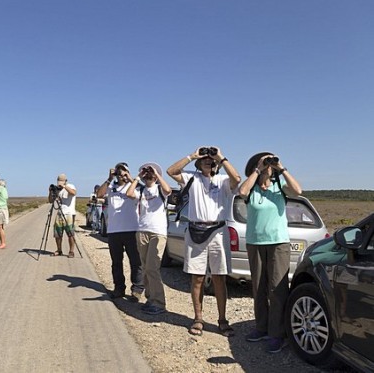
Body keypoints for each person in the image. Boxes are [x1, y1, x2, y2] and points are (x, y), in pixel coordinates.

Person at [167, 147, 240, 336]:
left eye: (211, 159)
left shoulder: (223, 180)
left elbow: (237, 179)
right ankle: (198, 318)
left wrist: (221, 156)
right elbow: (171, 171)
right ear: (199, 164)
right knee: (197, 278)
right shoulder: (192, 178)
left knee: (219, 277)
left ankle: (222, 320)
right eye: (205, 159)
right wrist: (192, 156)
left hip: (218, 230)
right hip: (195, 230)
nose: (208, 160)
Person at [238, 152, 302, 353]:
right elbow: (242, 191)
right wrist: (258, 169)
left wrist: (281, 168)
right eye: (265, 161)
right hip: (255, 243)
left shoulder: (279, 187)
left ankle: (277, 333)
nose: (268, 165)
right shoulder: (252, 188)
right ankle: (261, 327)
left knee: (277, 288)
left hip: (278, 243)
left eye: (270, 162)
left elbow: (298, 191)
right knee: (258, 287)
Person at [126, 162, 172, 315]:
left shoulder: (160, 189)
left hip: (157, 232)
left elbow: (168, 190)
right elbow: (129, 194)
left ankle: (159, 303)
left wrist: (157, 174)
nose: (148, 174)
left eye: (151, 173)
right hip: (142, 231)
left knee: (153, 268)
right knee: (145, 268)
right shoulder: (141, 190)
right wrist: (138, 177)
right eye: (146, 172)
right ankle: (150, 299)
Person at [96, 162, 144, 302]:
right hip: (114, 230)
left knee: (135, 261)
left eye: (123, 171)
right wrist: (109, 178)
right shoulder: (111, 187)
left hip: (131, 229)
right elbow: (99, 194)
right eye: (119, 172)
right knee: (116, 262)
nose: (121, 174)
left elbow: (142, 191)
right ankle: (119, 288)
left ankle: (137, 289)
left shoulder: (133, 186)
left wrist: (130, 178)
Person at [48, 174, 77, 258]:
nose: (59, 183)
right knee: (57, 233)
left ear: (65, 181)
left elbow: (73, 193)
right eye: (59, 181)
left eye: (61, 181)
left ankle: (71, 251)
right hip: (60, 213)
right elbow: (50, 201)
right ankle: (59, 250)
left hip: (69, 213)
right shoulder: (58, 190)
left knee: (70, 233)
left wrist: (64, 186)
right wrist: (50, 192)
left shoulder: (70, 186)